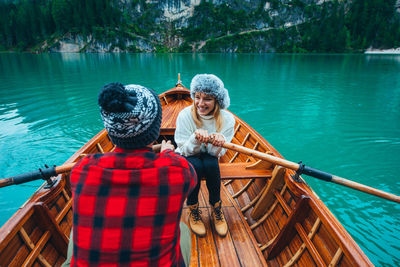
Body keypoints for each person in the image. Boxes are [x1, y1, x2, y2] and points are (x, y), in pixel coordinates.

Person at [68, 82, 197, 266]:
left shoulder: (82, 170)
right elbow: (191, 181)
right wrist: (168, 152)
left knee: (74, 232)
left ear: (111, 132)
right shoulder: (178, 170)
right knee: (182, 230)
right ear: (154, 132)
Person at [174, 74, 235, 237]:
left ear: (217, 100)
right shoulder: (185, 115)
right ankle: (193, 207)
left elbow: (218, 154)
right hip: (188, 152)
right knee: (194, 165)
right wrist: (195, 138)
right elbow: (184, 149)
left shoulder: (228, 119)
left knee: (210, 164)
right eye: (197, 97)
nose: (200, 103)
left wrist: (217, 143)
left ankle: (216, 207)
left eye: (207, 99)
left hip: (210, 155)